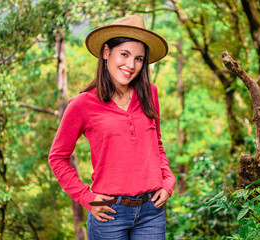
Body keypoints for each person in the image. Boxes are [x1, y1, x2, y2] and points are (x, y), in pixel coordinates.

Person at [48, 15, 176, 240]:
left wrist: (168, 180)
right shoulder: (82, 105)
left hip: (151, 213)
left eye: (138, 59)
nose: (130, 65)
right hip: (109, 216)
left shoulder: (150, 93)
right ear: (107, 52)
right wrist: (86, 197)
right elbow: (57, 158)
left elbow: (156, 144)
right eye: (124, 54)